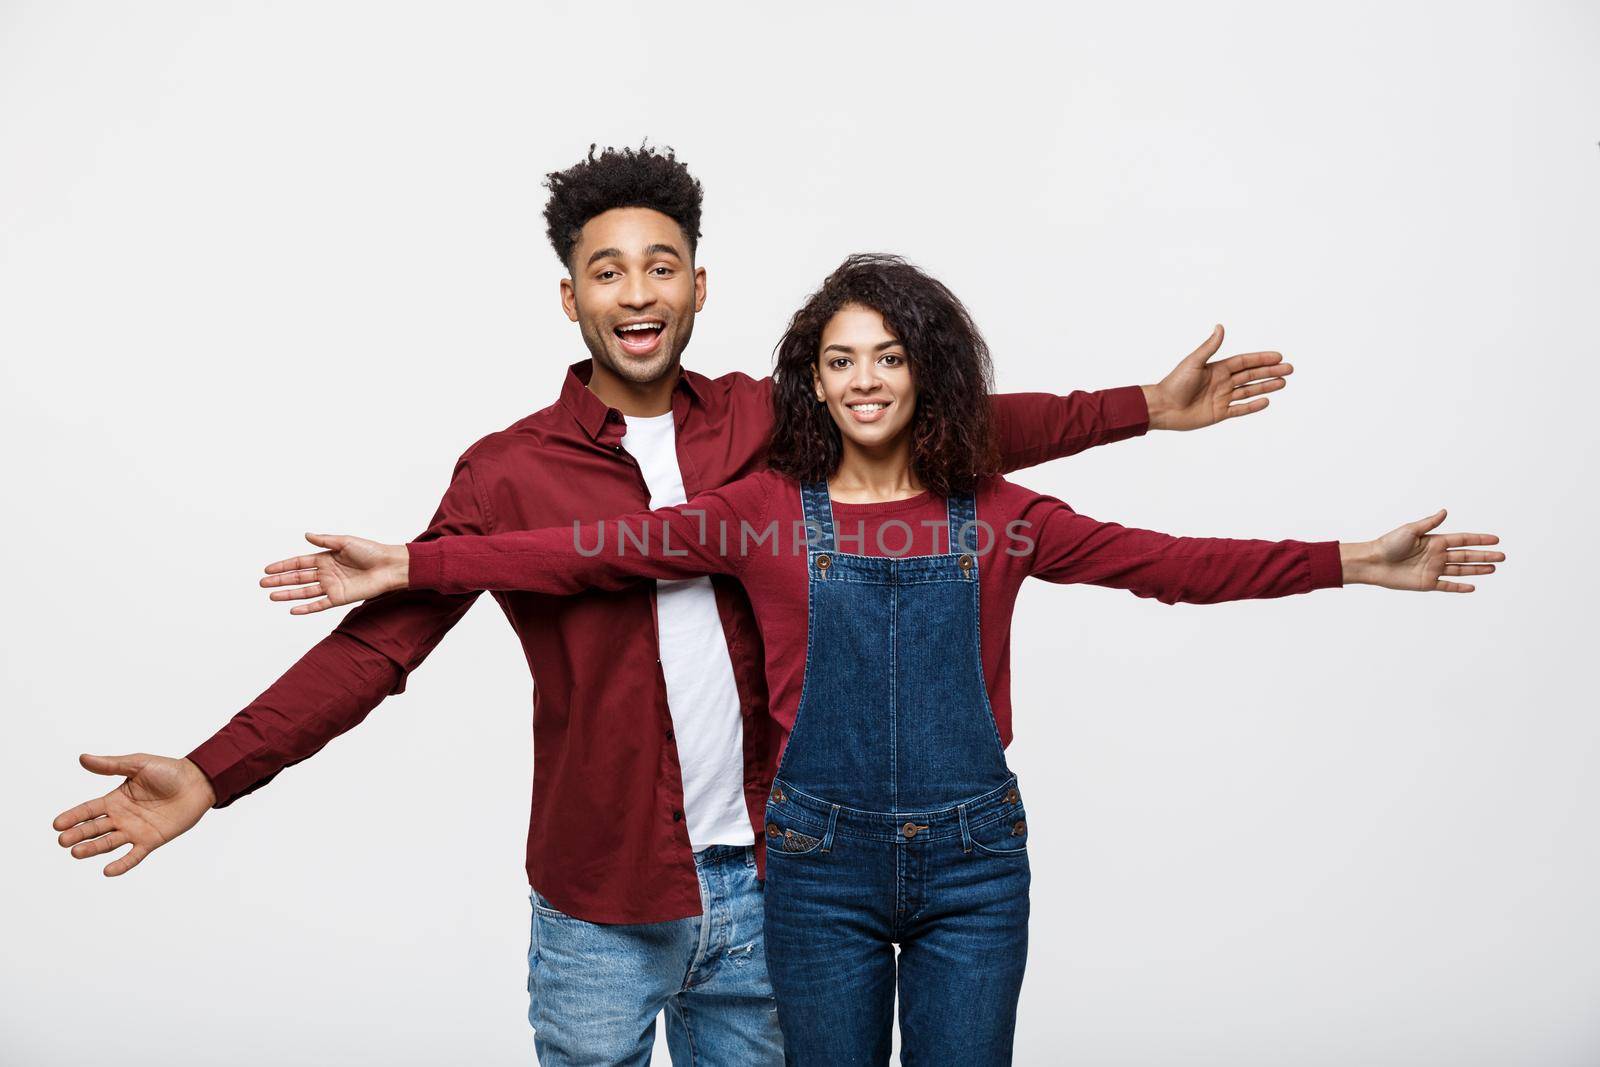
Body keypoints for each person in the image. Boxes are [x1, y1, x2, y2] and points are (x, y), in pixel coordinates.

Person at [48, 146, 1294, 1065]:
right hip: (600, 895)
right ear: (571, 297)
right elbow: (381, 645)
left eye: (660, 266)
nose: (635, 291)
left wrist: (1138, 405)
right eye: (606, 270)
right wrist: (214, 771)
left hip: (782, 878)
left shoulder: (768, 420)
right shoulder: (506, 472)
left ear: (699, 286)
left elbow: (936, 424)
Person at [251, 253, 1503, 1064]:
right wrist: (416, 566)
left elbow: (1166, 562)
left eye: (890, 357)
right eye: (839, 358)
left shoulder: (1003, 512)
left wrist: (1350, 556)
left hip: (973, 864)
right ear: (810, 378)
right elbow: (579, 551)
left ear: (928, 374)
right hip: (810, 865)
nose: (864, 380)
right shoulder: (751, 509)